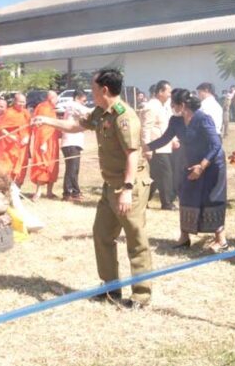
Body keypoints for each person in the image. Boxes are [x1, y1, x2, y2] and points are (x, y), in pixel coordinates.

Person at [33, 68, 152, 309]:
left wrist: (127, 189)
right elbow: (76, 126)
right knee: (102, 235)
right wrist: (47, 120)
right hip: (110, 186)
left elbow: (132, 155)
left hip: (129, 186)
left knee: (135, 239)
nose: (91, 92)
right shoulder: (101, 113)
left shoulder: (124, 117)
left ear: (104, 90)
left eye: (93, 88)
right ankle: (110, 288)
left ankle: (141, 295)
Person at [147, 89, 228, 252]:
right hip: (191, 164)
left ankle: (221, 240)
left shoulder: (203, 119)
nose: (171, 106)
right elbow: (165, 139)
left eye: (173, 104)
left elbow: (216, 145)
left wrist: (202, 166)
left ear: (182, 105)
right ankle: (184, 238)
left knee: (211, 199)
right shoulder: (175, 121)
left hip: (211, 164)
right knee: (186, 196)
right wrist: (145, 147)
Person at [141, 80, 177, 210]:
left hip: (164, 146)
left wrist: (173, 140)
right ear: (161, 92)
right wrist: (147, 149)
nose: (170, 94)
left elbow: (166, 126)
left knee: (155, 177)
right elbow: (146, 128)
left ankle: (142, 201)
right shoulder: (151, 106)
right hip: (156, 148)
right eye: (168, 91)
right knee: (166, 174)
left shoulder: (163, 106)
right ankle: (166, 203)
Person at [60, 89, 92, 201]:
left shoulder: (73, 106)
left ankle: (71, 192)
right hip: (70, 142)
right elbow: (88, 112)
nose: (85, 102)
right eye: (84, 100)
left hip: (73, 142)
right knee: (72, 169)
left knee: (74, 168)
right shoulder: (73, 105)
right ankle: (71, 192)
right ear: (78, 98)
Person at [30, 91, 61, 200]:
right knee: (42, 165)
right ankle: (38, 192)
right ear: (51, 98)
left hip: (53, 141)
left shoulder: (51, 108)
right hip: (45, 142)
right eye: (56, 98)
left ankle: (49, 192)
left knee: (52, 165)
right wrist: (43, 143)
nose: (57, 100)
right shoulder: (44, 108)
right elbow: (42, 127)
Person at [0, 93, 31, 186]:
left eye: (23, 102)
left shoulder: (26, 113)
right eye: (20, 102)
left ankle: (18, 187)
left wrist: (27, 137)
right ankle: (8, 186)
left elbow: (29, 128)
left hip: (22, 146)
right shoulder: (9, 112)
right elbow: (1, 128)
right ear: (14, 102)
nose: (22, 104)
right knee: (9, 166)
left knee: (22, 166)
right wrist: (11, 136)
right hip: (9, 146)